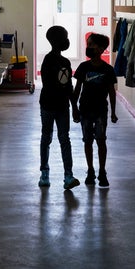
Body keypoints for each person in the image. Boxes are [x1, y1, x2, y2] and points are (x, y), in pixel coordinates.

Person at [72, 32, 118, 188]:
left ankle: (102, 171)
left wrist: (113, 112)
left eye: (91, 45)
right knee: (87, 141)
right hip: (85, 109)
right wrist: (74, 109)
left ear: (100, 49)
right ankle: (90, 170)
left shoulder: (108, 70)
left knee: (101, 140)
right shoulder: (83, 67)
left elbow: (112, 92)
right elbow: (77, 89)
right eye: (88, 44)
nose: (88, 47)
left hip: (100, 111)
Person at [38, 25, 80, 189]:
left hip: (55, 105)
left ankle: (58, 175)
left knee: (54, 139)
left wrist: (74, 107)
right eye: (65, 36)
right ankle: (54, 175)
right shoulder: (55, 62)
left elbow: (67, 85)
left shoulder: (57, 61)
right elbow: (63, 85)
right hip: (54, 106)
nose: (67, 40)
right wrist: (73, 106)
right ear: (57, 41)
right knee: (55, 139)